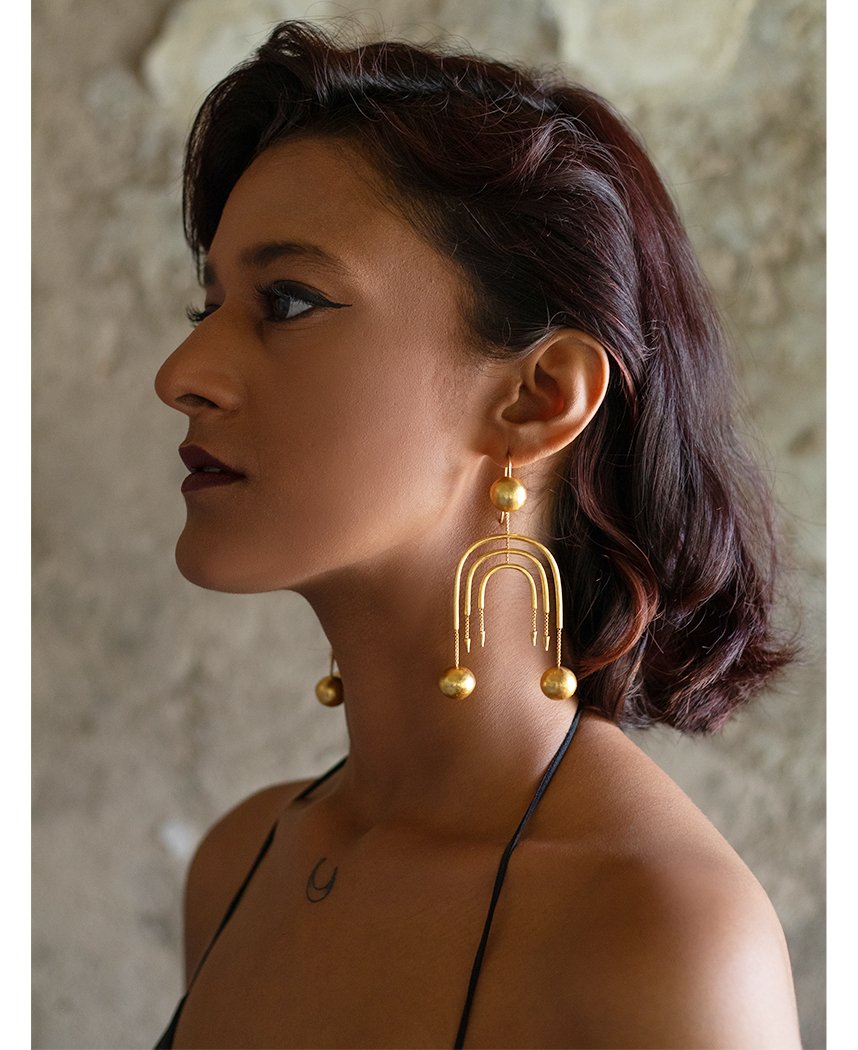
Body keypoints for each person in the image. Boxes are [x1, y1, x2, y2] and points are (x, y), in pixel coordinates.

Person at [152, 18, 802, 1049]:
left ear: (541, 398)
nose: (181, 374)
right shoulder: (240, 863)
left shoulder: (659, 938)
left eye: (288, 300)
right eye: (208, 306)